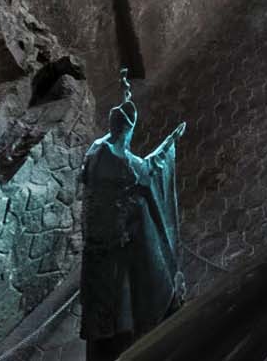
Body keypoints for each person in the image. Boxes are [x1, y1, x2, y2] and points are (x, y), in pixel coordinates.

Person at [81, 72, 186, 358]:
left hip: (94, 252)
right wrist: (169, 145)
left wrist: (126, 96)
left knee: (102, 311)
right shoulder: (127, 164)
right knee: (124, 306)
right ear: (128, 132)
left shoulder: (95, 151)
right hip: (118, 253)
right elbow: (151, 171)